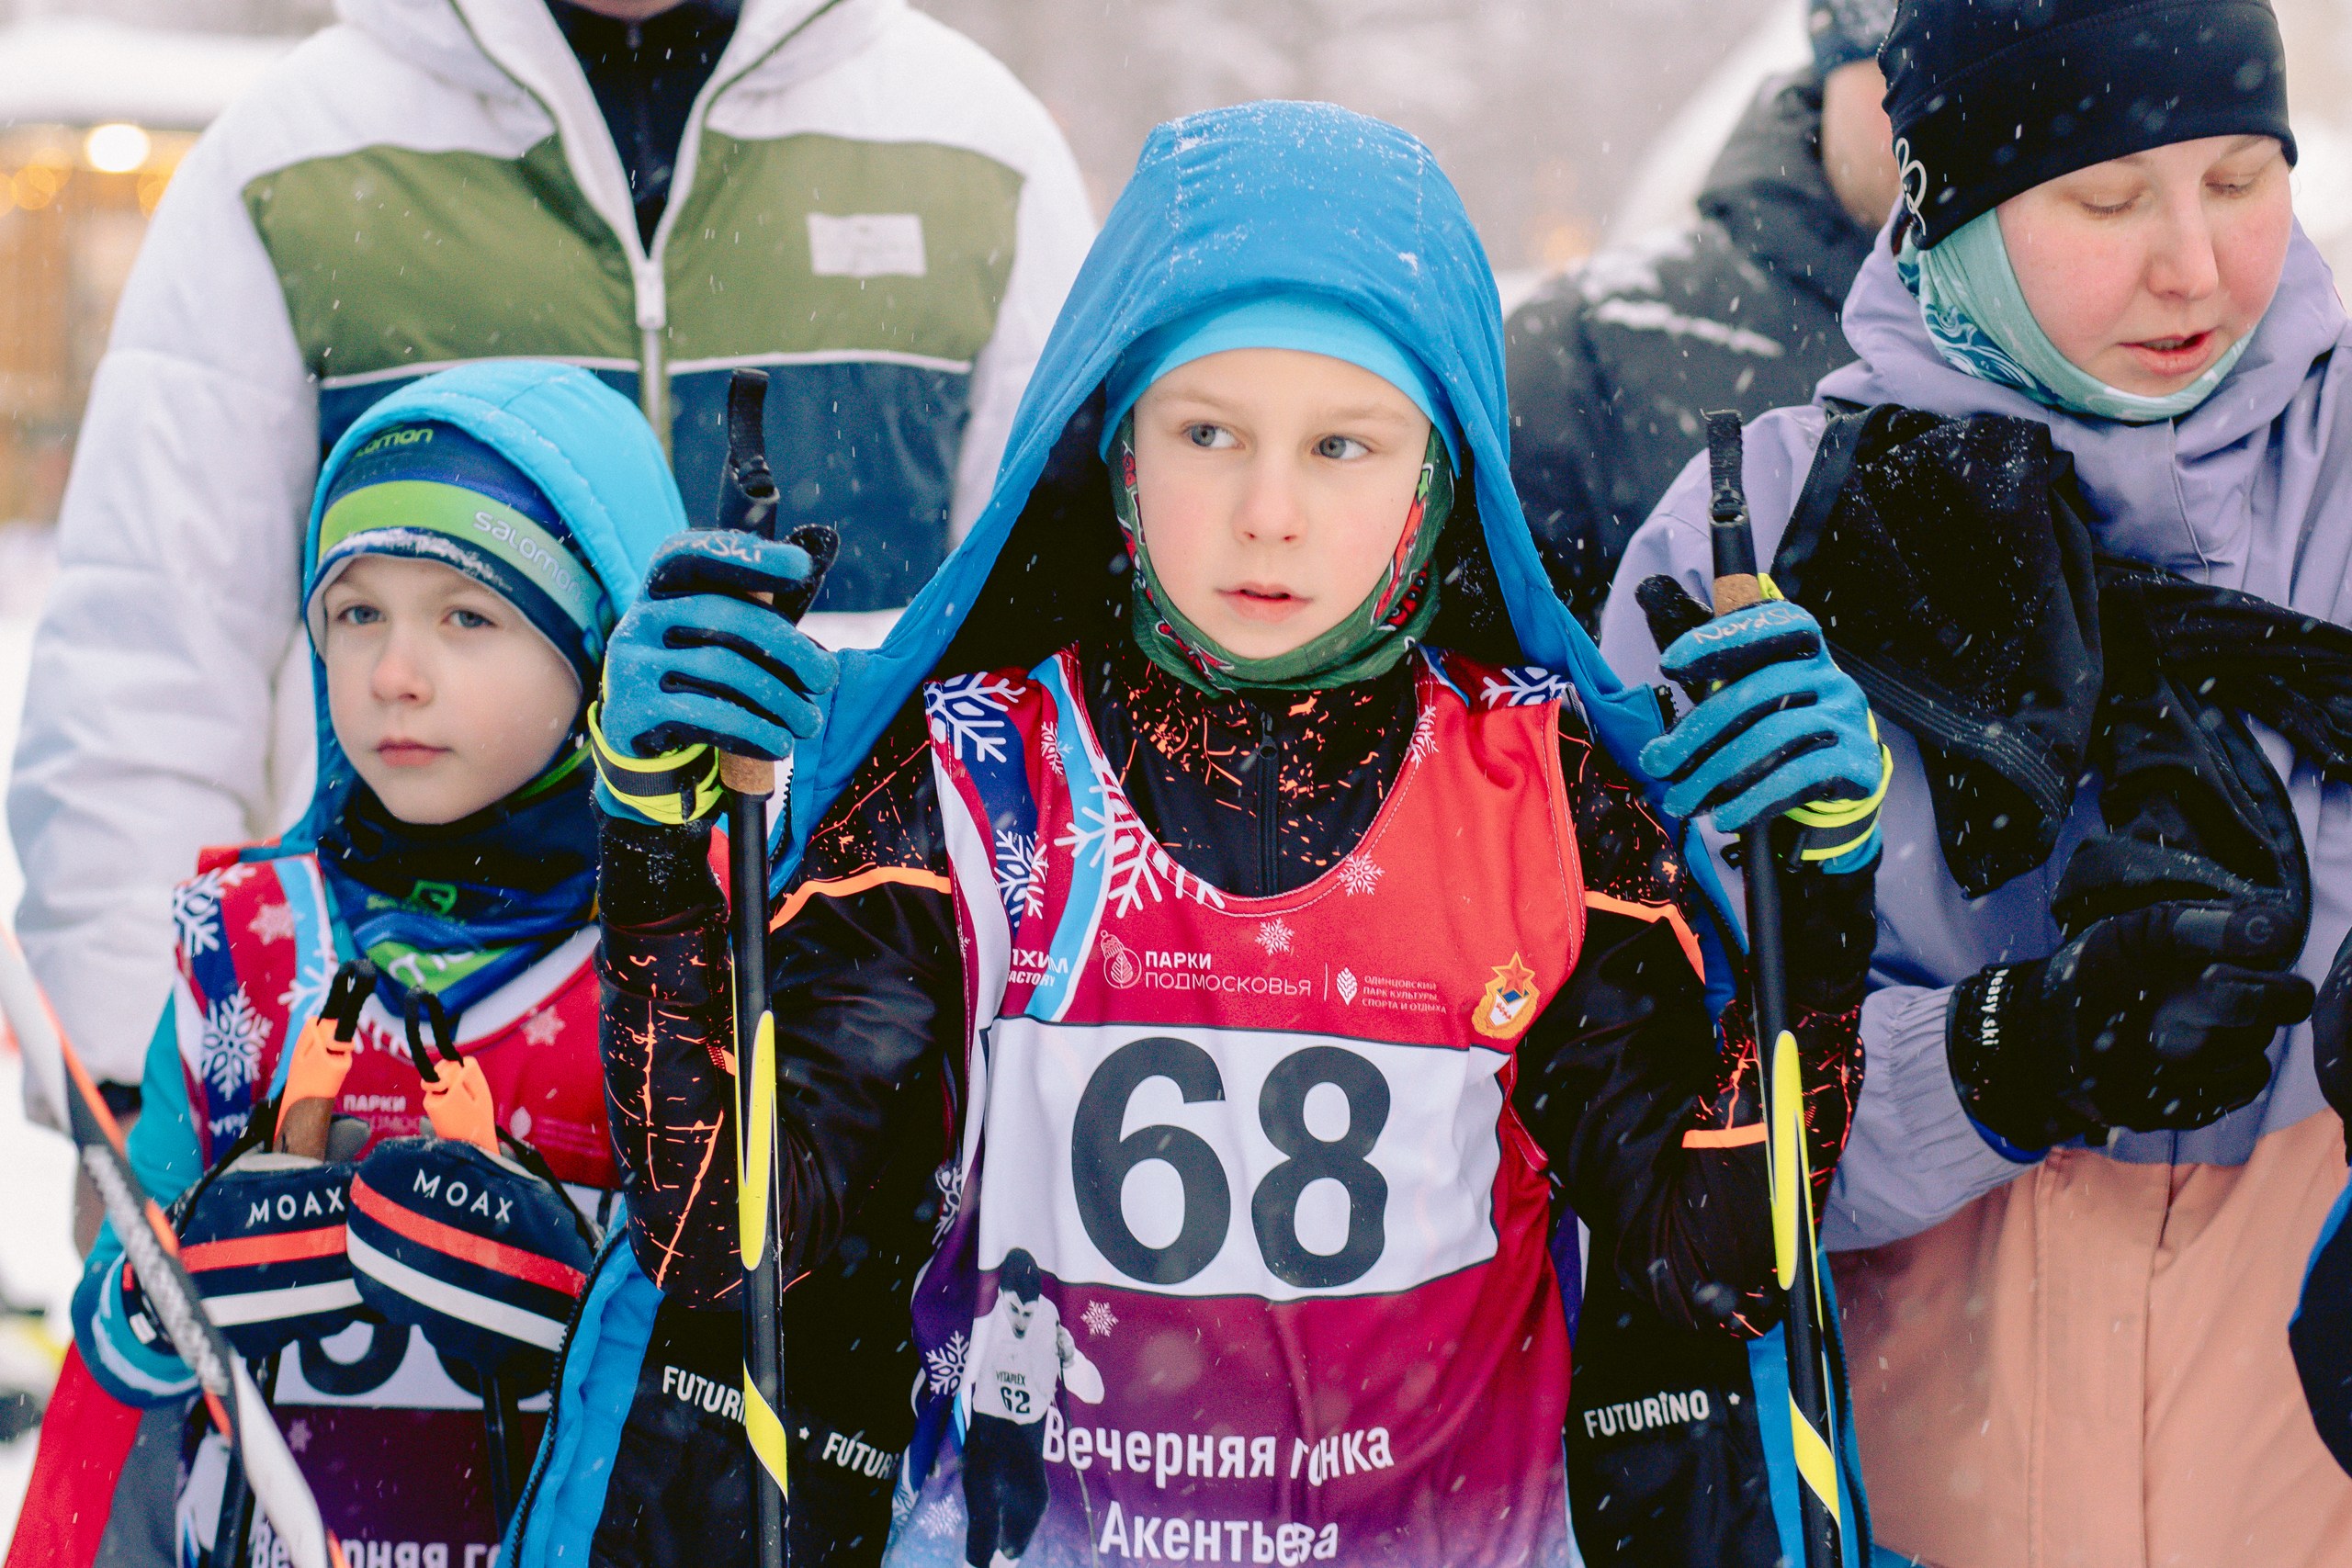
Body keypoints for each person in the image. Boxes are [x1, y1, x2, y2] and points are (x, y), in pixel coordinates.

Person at [574, 99, 1886, 1567]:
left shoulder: (1541, 790)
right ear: (1118, 445)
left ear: (1440, 476)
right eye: (1210, 431)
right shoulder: (976, 778)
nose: (1271, 512)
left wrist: (1818, 897)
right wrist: (653, 849)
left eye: (1344, 443)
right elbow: (724, 1240)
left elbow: (1714, 1266)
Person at [7, 0, 1093, 1131]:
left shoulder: (973, 150)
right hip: (378, 1057)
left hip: (846, 1065)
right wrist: (126, 1074)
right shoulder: (298, 155)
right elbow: (159, 638)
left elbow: (1053, 669)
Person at [1599, 0, 2352, 1560]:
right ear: (1948, 201)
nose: (2192, 265)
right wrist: (1995, 1060)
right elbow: (1653, 1129)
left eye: (2237, 177)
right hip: (1920, 1496)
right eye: (2104, 196)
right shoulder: (1762, 552)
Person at [63, 361, 676, 1564]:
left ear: (604, 642)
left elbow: (763, 1354)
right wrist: (183, 1275)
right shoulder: (250, 940)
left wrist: (570, 1301)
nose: (396, 671)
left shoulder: (678, 958)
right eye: (356, 612)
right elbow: (115, 1321)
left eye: (468, 614)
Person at [1506, 0, 1900, 630]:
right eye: (1906, 55)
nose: (1958, 103)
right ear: (1835, 43)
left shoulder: (2105, 356)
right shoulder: (1583, 357)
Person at [957, 1249, 1103, 1567]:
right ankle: (975, 1561)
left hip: (1026, 1430)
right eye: (1014, 1309)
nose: (1021, 1321)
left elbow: (1095, 1390)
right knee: (983, 1505)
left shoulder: (1050, 1322)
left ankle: (1006, 1559)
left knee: (1033, 1501)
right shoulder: (985, 1314)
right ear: (1000, 1295)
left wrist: (1071, 1358)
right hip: (986, 1425)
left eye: (1028, 1313)